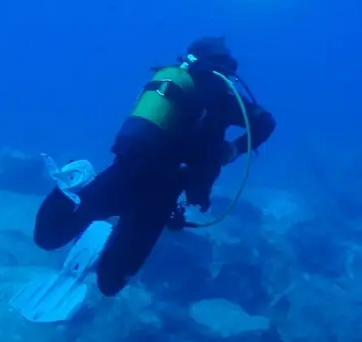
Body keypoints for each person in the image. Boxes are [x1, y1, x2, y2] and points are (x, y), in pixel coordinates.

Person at [29, 39, 276, 300]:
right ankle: (106, 242)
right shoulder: (225, 101)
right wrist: (231, 151)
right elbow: (265, 124)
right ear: (224, 69)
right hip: (159, 196)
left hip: (122, 174)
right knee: (110, 283)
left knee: (47, 238)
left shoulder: (167, 85)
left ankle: (69, 185)